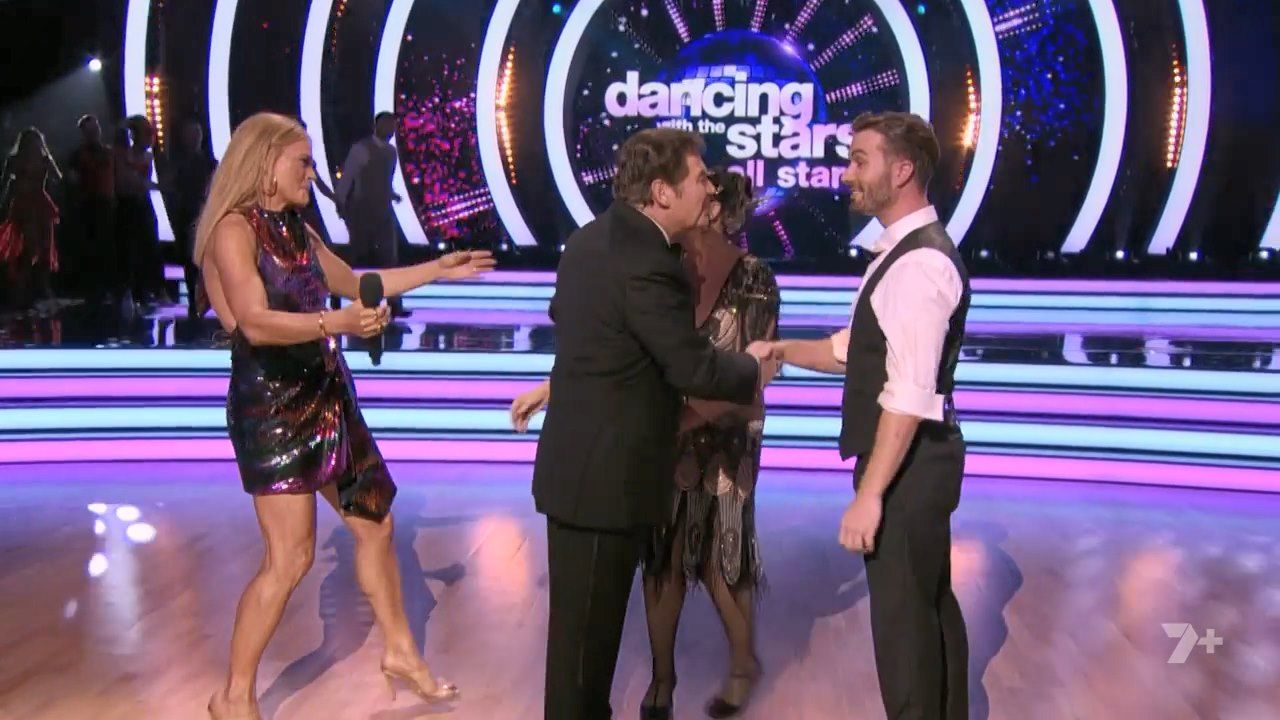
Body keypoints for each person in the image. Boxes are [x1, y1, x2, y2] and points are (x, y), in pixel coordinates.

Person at [196, 112, 495, 719]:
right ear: (265, 164)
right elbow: (253, 322)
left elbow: (357, 282)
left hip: (328, 396)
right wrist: (337, 322)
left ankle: (401, 653)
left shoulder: (297, 230)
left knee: (376, 522)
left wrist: (438, 270)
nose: (313, 173)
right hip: (273, 410)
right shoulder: (233, 230)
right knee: (291, 558)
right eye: (302, 162)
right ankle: (232, 695)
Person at [528, 128, 779, 720]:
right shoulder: (650, 261)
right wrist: (754, 367)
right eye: (699, 178)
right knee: (583, 662)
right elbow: (690, 365)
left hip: (580, 472)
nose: (710, 188)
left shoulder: (590, 239)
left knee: (580, 652)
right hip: (604, 483)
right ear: (663, 191)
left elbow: (586, 334)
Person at [769, 111, 971, 720]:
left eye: (860, 161)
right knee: (924, 612)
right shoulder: (900, 255)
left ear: (902, 170)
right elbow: (853, 350)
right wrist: (779, 350)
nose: (847, 174)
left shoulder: (919, 265)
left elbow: (908, 394)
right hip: (914, 465)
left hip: (909, 469)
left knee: (907, 629)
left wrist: (870, 496)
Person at [336, 111, 407, 316]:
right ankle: (340, 300)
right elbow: (347, 179)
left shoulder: (391, 152)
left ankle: (395, 304)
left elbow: (385, 181)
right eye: (387, 125)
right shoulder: (360, 149)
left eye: (393, 126)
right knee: (356, 257)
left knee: (390, 259)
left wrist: (392, 195)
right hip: (362, 211)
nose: (391, 130)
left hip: (383, 211)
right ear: (377, 126)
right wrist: (341, 204)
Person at [0, 127, 62, 310]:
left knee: (45, 247)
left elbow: (58, 178)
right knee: (29, 248)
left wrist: (51, 171)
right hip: (23, 205)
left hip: (41, 204)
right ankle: (23, 291)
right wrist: (7, 197)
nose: (34, 145)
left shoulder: (44, 159)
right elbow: (5, 183)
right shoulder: (14, 160)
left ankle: (41, 288)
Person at [164, 118, 217, 319]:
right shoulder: (179, 164)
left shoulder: (209, 163)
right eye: (189, 135)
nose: (193, 139)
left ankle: (207, 298)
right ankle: (195, 302)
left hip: (204, 215)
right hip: (185, 215)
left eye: (196, 135)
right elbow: (170, 185)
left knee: (205, 259)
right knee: (189, 259)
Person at [68, 114, 117, 304]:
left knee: (108, 248)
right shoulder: (78, 156)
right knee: (92, 249)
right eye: (89, 130)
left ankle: (107, 289)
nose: (94, 133)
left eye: (96, 129)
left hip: (107, 205)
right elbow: (72, 181)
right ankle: (93, 290)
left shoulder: (109, 152)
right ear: (84, 133)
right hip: (89, 206)